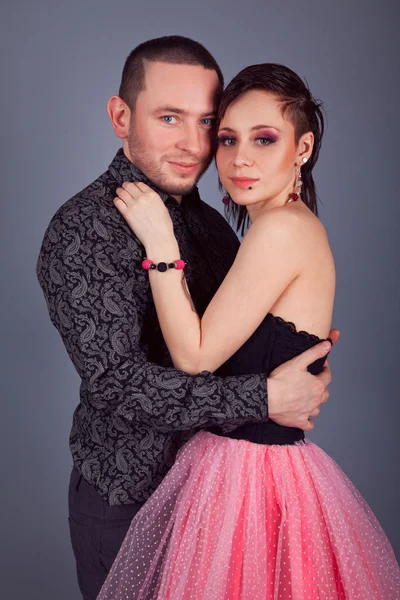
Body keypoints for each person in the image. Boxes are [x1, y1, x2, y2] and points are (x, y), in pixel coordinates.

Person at [36, 37, 337, 600]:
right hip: (131, 494)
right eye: (169, 117)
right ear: (121, 116)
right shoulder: (84, 230)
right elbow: (116, 383)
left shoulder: (215, 222)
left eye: (206, 122)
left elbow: (241, 341)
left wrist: (301, 359)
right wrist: (266, 399)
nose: (193, 144)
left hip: (224, 497)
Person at [97, 63, 400, 599]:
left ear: (302, 149)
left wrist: (162, 249)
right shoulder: (279, 225)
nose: (240, 159)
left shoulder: (282, 230)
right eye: (229, 138)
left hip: (250, 480)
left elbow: (194, 357)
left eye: (265, 139)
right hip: (248, 470)